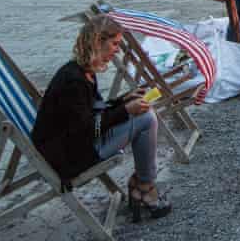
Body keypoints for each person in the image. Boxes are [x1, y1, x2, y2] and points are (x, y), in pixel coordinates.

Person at [31, 15, 171, 221]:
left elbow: (90, 115)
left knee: (143, 113)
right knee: (146, 119)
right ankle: (144, 187)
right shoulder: (74, 81)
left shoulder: (81, 70)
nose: (117, 49)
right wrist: (125, 110)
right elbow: (88, 130)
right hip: (69, 156)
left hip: (74, 144)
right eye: (114, 43)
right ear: (97, 41)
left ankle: (143, 185)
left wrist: (123, 101)